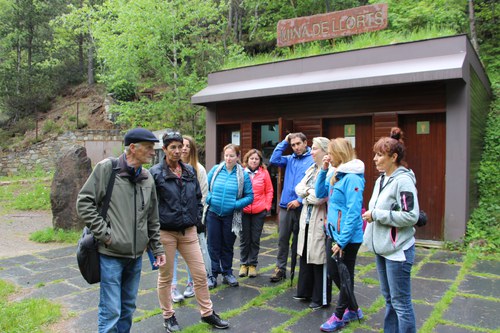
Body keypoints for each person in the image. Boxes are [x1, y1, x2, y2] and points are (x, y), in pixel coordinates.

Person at [76, 127, 166, 333]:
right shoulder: (107, 169)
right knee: (111, 311)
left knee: (127, 308)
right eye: (149, 147)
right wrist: (106, 235)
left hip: (135, 257)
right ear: (132, 148)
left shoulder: (146, 177)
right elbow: (84, 203)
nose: (153, 152)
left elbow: (152, 217)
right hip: (111, 255)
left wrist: (157, 249)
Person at [150, 131, 229, 332]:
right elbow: (149, 205)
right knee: (166, 278)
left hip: (189, 231)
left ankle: (207, 313)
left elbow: (198, 198)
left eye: (180, 146)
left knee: (200, 274)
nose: (177, 151)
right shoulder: (155, 173)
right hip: (165, 233)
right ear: (165, 149)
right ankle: (168, 316)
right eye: (173, 147)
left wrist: (196, 218)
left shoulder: (189, 171)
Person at [362, 128, 419, 333]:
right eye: (375, 154)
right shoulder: (382, 179)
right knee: (389, 300)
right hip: (383, 249)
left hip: (398, 252)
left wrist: (376, 214)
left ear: (393, 157)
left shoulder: (403, 181)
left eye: (380, 155)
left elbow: (411, 216)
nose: (375, 159)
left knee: (401, 304)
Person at [315, 138, 365, 332]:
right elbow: (320, 193)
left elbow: (353, 212)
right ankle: (353, 309)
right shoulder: (337, 173)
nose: (328, 155)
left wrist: (342, 242)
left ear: (340, 154)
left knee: (345, 275)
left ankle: (338, 316)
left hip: (347, 238)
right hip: (333, 234)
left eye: (331, 153)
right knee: (335, 273)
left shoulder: (352, 178)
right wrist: (324, 169)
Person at [170, 135, 215, 302]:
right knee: (172, 254)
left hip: (192, 220)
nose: (184, 149)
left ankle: (191, 283)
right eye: (182, 145)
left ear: (192, 149)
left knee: (193, 253)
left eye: (187, 146)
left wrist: (198, 219)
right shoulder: (168, 169)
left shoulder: (198, 169)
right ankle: (173, 287)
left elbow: (203, 195)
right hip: (172, 220)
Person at [206, 143, 253, 287]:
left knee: (227, 245)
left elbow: (250, 196)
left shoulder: (243, 175)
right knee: (212, 245)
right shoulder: (215, 170)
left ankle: (227, 273)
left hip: (231, 216)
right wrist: (210, 199)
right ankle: (212, 275)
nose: (228, 159)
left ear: (237, 157)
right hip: (213, 214)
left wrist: (235, 205)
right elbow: (204, 188)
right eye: (226, 155)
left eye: (231, 156)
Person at [268, 132, 314, 282]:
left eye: (298, 144)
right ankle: (280, 269)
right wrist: (284, 141)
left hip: (303, 206)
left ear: (305, 143)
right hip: (285, 206)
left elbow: (313, 183)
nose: (296, 147)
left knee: (300, 240)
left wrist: (299, 200)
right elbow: (273, 159)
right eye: (293, 145)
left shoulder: (312, 159)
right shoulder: (289, 159)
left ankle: (300, 271)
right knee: (282, 239)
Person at [294, 137, 331, 310]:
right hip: (307, 218)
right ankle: (305, 292)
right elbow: (298, 188)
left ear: (324, 151)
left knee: (319, 257)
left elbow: (320, 198)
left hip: (320, 219)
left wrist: (306, 195)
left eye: (315, 148)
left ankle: (319, 297)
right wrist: (309, 192)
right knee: (305, 254)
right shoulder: (311, 169)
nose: (311, 151)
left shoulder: (330, 171)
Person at [239, 149, 274, 278]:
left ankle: (252, 264)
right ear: (247, 160)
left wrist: (267, 206)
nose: (254, 161)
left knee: (255, 239)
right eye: (251, 158)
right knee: (244, 239)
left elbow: (269, 190)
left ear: (260, 161)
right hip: (244, 210)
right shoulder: (241, 172)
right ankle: (243, 264)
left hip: (259, 211)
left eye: (256, 159)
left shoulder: (264, 173)